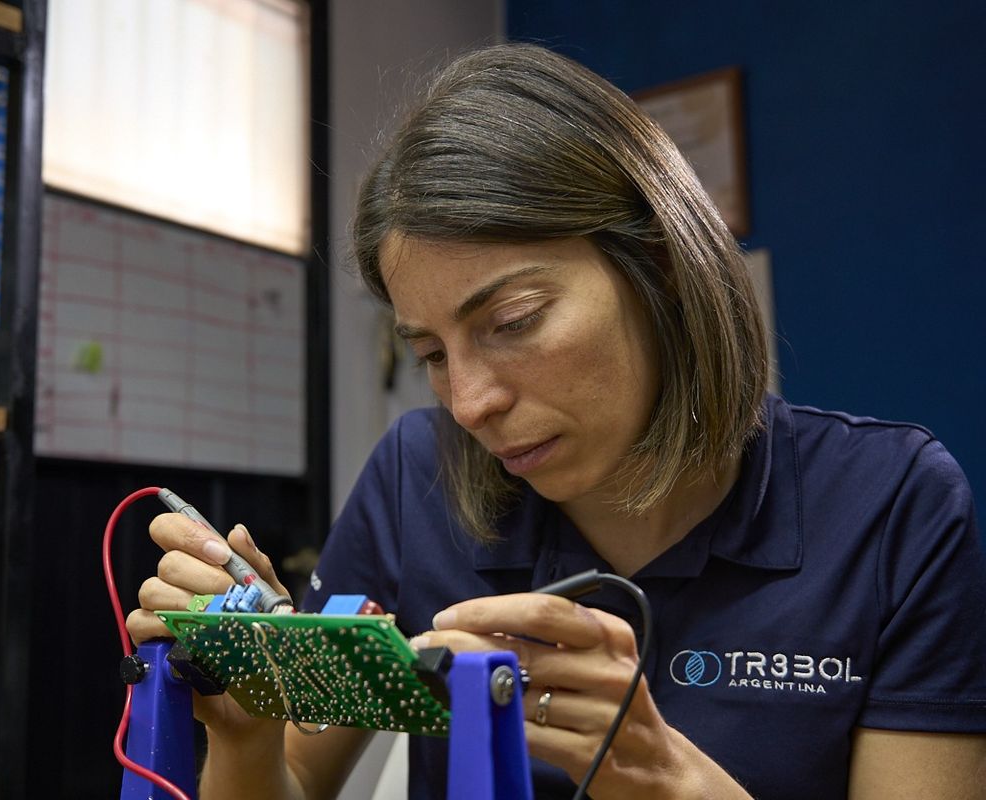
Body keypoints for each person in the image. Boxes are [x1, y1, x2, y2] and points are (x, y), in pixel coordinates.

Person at [126, 43, 986, 799]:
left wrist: (663, 782)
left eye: (513, 322)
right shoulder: (413, 477)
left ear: (658, 266)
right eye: (431, 353)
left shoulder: (891, 505)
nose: (469, 404)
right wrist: (244, 734)